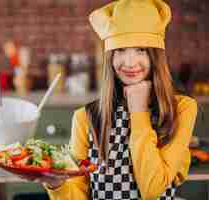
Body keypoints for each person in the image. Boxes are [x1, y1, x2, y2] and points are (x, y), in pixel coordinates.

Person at [20, 0, 198, 199]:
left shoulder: (180, 109)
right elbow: (78, 194)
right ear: (110, 57)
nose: (129, 62)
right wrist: (57, 185)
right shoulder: (85, 118)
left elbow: (152, 189)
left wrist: (139, 112)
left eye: (141, 50)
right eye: (120, 50)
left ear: (155, 56)